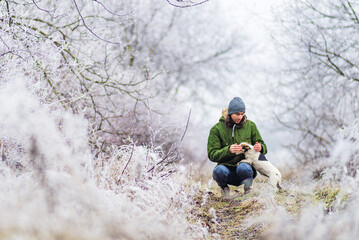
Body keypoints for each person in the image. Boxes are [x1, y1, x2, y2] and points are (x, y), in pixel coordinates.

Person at [207, 97, 267, 197]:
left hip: (245, 168)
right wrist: (228, 150)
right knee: (218, 171)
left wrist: (261, 148)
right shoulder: (216, 129)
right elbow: (212, 154)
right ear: (230, 113)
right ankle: (225, 190)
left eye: (242, 113)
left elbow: (263, 147)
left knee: (243, 167)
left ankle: (248, 190)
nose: (240, 117)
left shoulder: (251, 126)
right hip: (226, 170)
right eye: (237, 114)